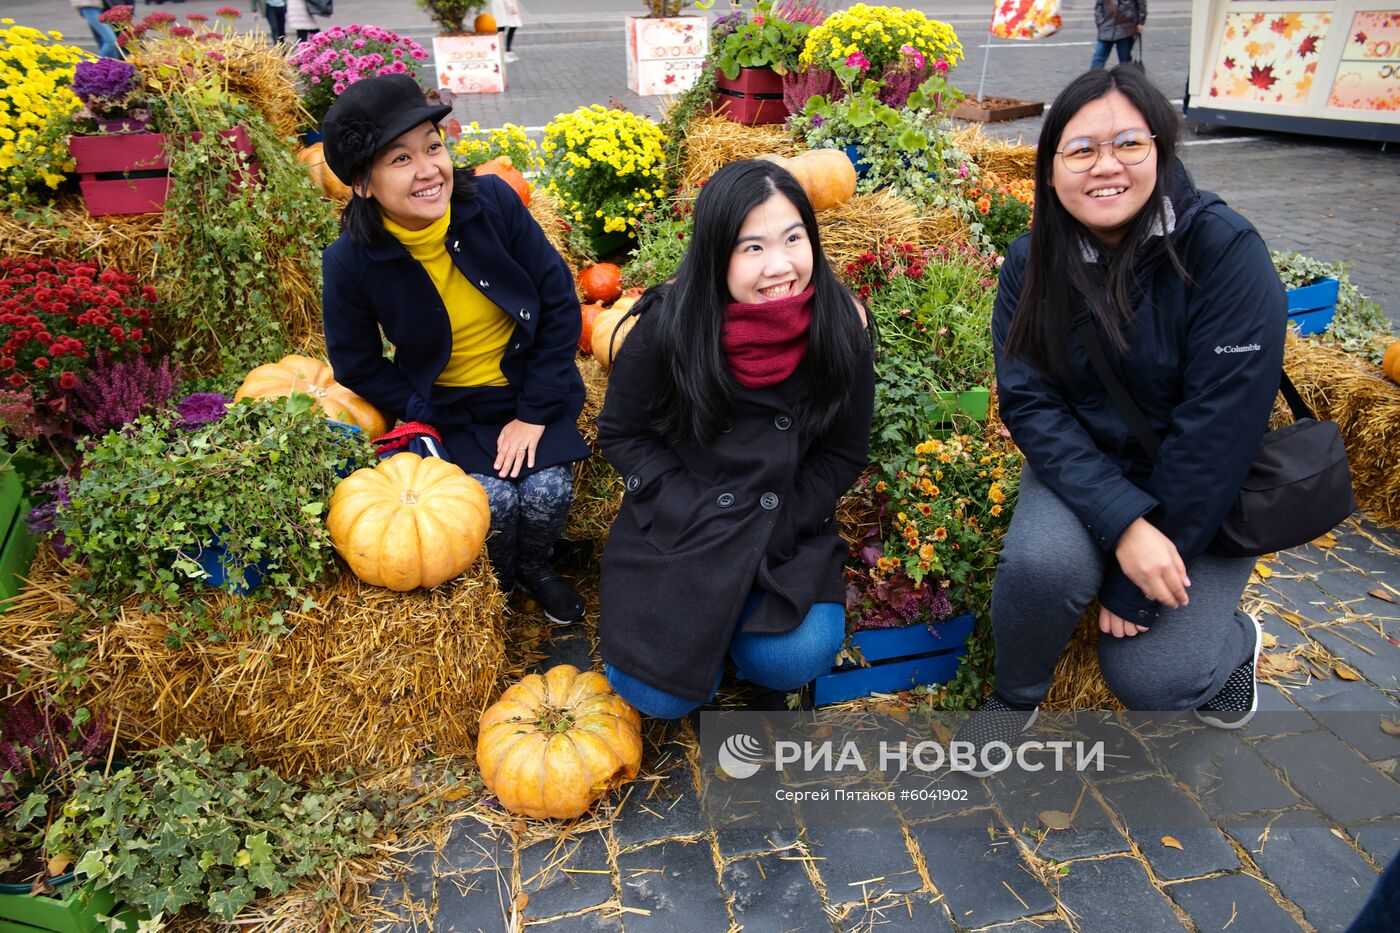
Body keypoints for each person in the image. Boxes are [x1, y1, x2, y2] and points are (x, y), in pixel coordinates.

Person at [964, 64, 1286, 763]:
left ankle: (1234, 645)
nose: (1105, 167)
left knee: (1153, 679)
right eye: (1080, 150)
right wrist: (1124, 523)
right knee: (1040, 566)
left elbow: (1219, 433)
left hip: (1201, 487)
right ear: (1049, 171)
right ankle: (1015, 698)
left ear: (1161, 152)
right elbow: (1030, 401)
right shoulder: (1033, 262)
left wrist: (1139, 585)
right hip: (1089, 463)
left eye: (1128, 145)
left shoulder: (1225, 253)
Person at [595, 159, 875, 719]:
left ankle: (741, 652)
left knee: (793, 658)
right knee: (656, 695)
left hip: (782, 528)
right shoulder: (668, 325)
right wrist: (678, 503)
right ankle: (704, 655)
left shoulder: (842, 325)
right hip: (684, 524)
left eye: (793, 238)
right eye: (752, 248)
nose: (780, 266)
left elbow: (843, 452)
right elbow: (623, 433)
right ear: (717, 253)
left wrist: (787, 516)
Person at [319, 75, 590, 624]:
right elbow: (355, 363)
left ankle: (534, 566)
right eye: (400, 159)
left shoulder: (491, 203)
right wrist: (426, 413)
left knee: (546, 492)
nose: (428, 170)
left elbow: (560, 303)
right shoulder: (349, 261)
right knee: (491, 500)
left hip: (527, 388)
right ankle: (501, 579)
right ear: (363, 185)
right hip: (449, 408)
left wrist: (535, 412)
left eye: (433, 147)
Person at [1092, 0, 1145, 69]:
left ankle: (1126, 78)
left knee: (1125, 61)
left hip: (1125, 27)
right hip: (1106, 26)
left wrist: (1140, 22)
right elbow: (1099, 5)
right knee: (1098, 58)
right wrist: (1100, 22)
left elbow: (1141, 4)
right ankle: (1094, 78)